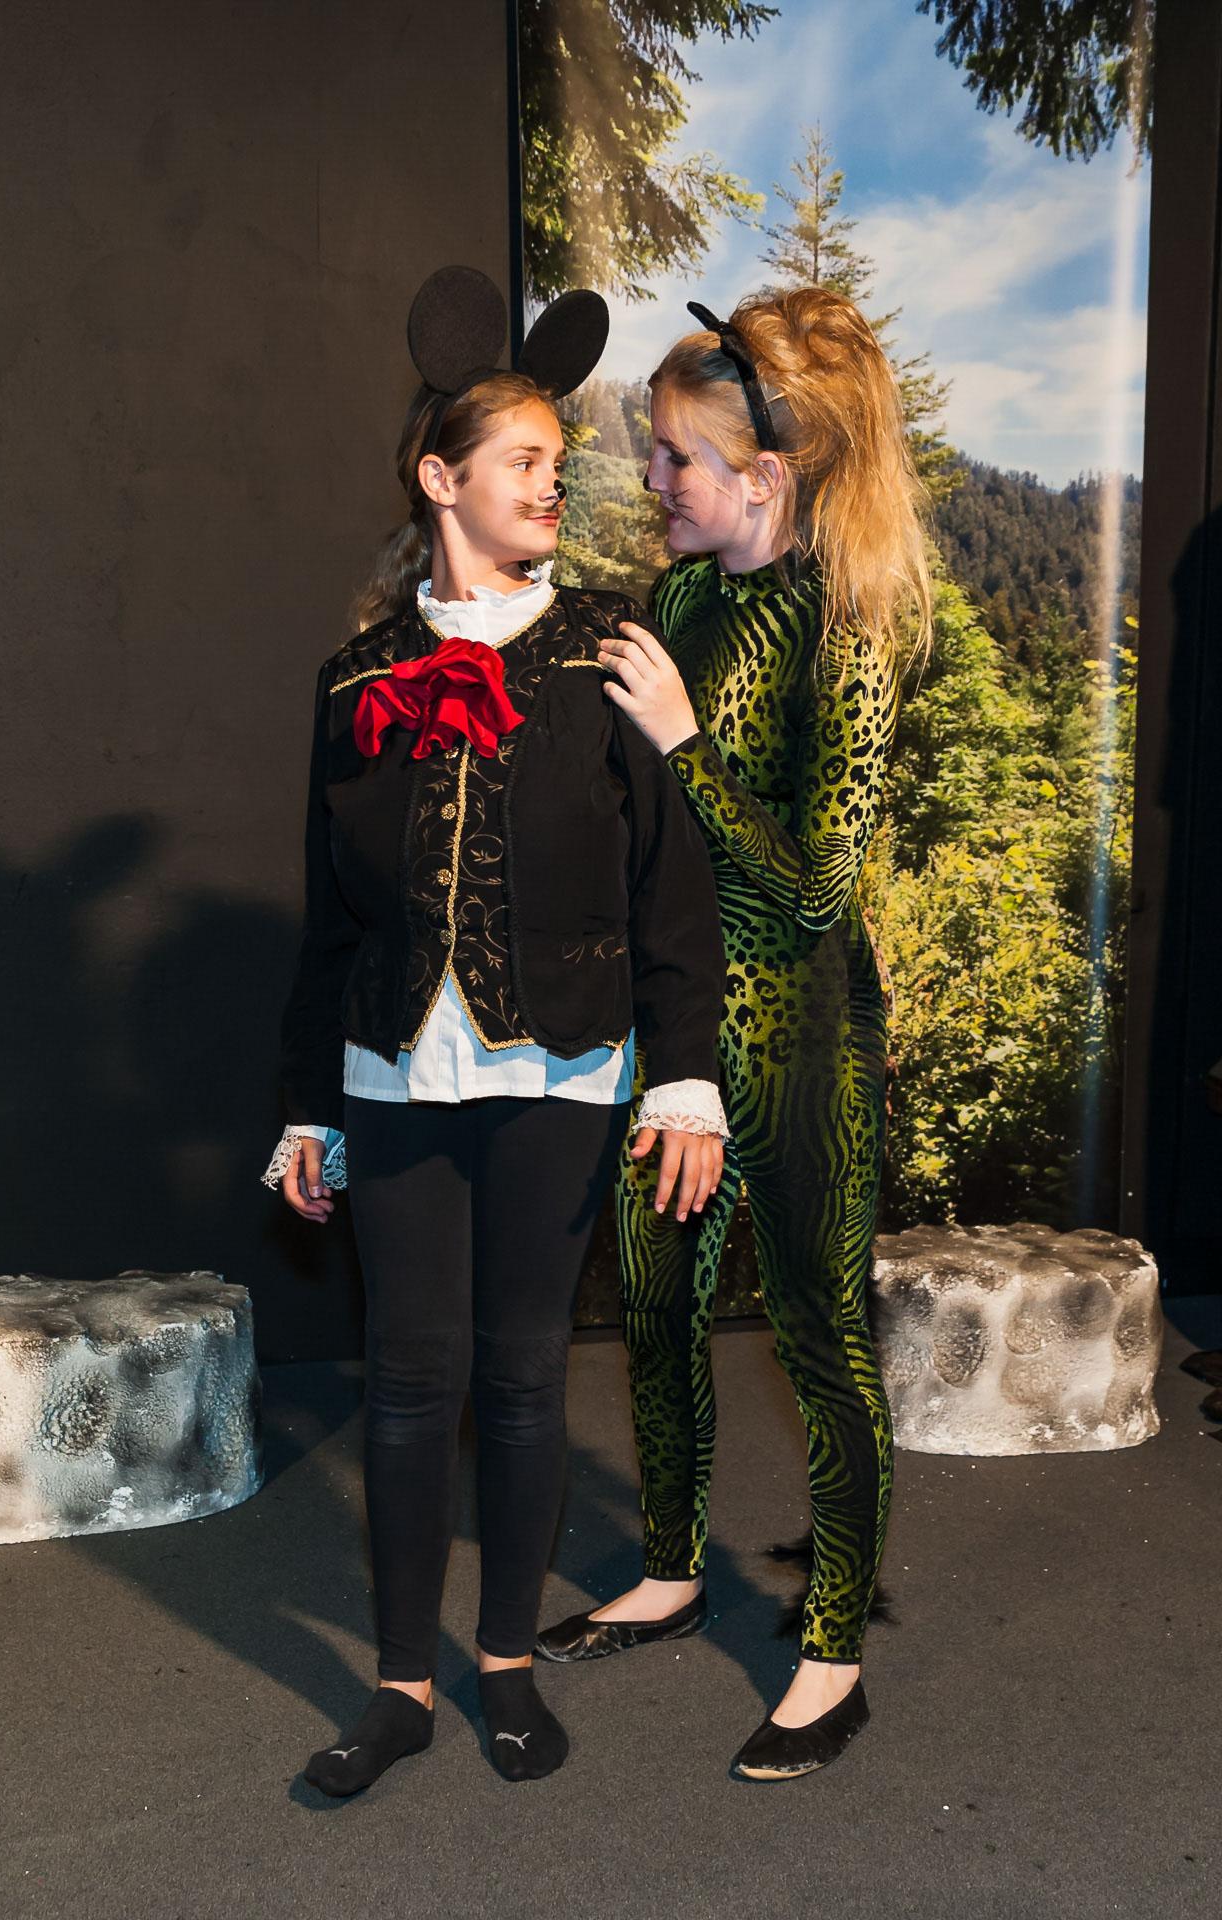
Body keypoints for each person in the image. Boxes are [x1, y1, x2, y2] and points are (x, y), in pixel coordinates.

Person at [263, 267, 729, 1800]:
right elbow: (330, 923)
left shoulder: (611, 648)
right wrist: (307, 1104)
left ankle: (509, 1668)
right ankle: (401, 1686)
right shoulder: (357, 680)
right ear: (439, 476)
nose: (554, 483)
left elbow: (671, 888)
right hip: (396, 1066)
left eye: (559, 462)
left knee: (523, 1377)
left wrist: (687, 1077)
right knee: (408, 1382)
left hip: (563, 1064)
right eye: (526, 459)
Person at [537, 284, 931, 1782]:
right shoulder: (685, 600)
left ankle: (833, 1652)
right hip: (682, 1031)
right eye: (650, 450)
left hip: (805, 1036)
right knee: (653, 1309)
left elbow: (816, 886)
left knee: (823, 1343)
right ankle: (671, 1569)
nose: (649, 479)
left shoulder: (847, 623)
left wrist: (684, 744)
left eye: (675, 458)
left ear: (766, 475)